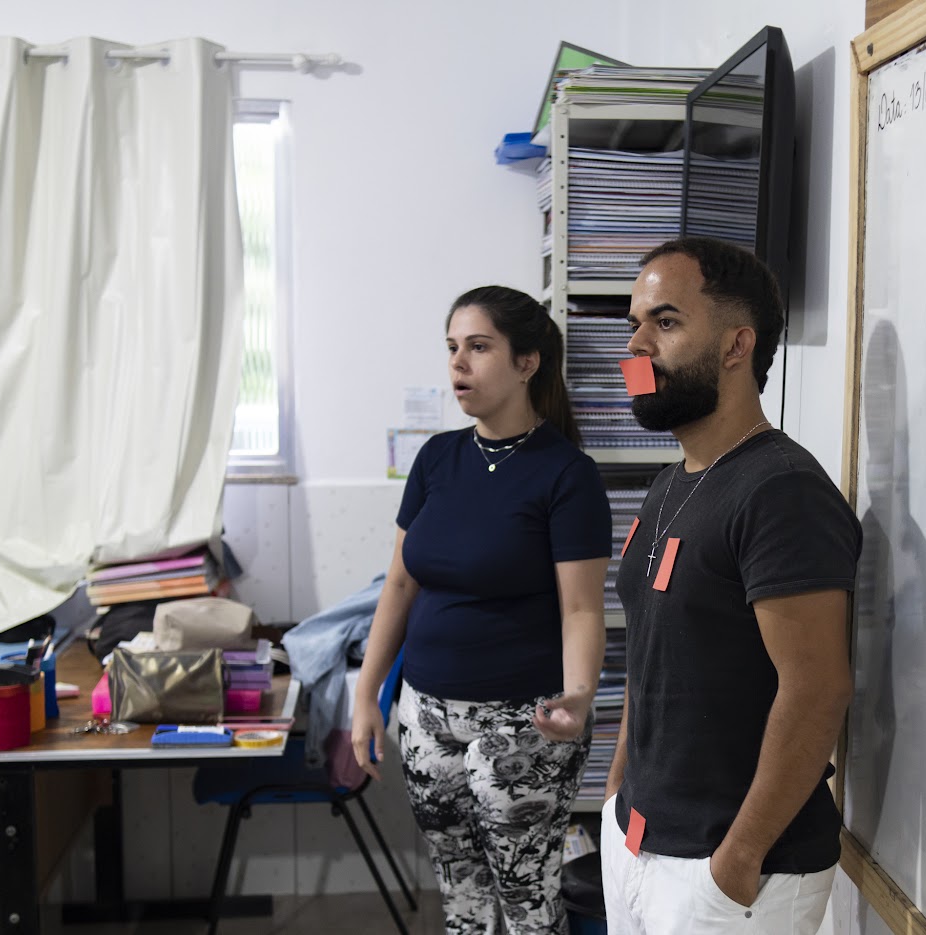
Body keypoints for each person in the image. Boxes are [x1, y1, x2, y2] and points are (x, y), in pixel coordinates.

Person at [602, 238, 862, 934]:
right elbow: (650, 654)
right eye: (634, 324)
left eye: (665, 322)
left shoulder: (780, 490)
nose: (636, 348)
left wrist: (737, 859)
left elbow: (817, 690)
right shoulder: (669, 484)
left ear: (735, 345)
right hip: (636, 841)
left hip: (729, 873)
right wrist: (618, 788)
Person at [351, 285, 612, 935]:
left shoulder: (567, 474)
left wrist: (580, 695)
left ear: (527, 362)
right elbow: (400, 586)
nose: (458, 363)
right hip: (425, 714)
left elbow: (582, 608)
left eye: (478, 346)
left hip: (522, 722)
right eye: (452, 347)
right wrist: (366, 695)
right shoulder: (436, 458)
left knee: (526, 902)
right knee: (461, 896)